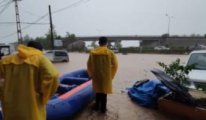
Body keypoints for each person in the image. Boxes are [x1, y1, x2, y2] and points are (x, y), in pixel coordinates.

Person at [0, 41, 59, 120]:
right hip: (32, 110)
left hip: (10, 109)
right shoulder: (40, 59)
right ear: (39, 50)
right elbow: (53, 75)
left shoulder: (5, 61)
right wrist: (45, 94)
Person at [87, 37, 118, 113]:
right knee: (104, 94)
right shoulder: (110, 53)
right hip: (106, 77)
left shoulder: (93, 52)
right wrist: (111, 75)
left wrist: (91, 74)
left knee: (97, 92)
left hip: (96, 76)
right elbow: (115, 65)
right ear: (106, 43)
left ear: (99, 43)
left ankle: (97, 106)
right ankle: (103, 110)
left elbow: (89, 64)